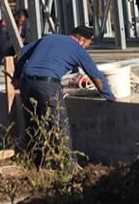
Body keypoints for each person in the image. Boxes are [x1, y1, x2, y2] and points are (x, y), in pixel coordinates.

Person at [15, 26, 115, 160]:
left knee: (33, 125)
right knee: (60, 127)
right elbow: (96, 76)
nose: (85, 48)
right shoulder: (77, 48)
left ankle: (34, 164)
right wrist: (111, 97)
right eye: (86, 44)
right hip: (47, 85)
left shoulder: (49, 38)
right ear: (81, 40)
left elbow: (20, 54)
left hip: (26, 83)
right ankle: (67, 166)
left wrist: (17, 77)